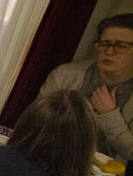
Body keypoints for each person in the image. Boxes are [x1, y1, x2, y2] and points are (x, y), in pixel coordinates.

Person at [39, 13, 133, 161]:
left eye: (120, 46)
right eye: (104, 44)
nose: (108, 51)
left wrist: (110, 116)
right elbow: (35, 122)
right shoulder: (66, 75)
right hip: (47, 157)